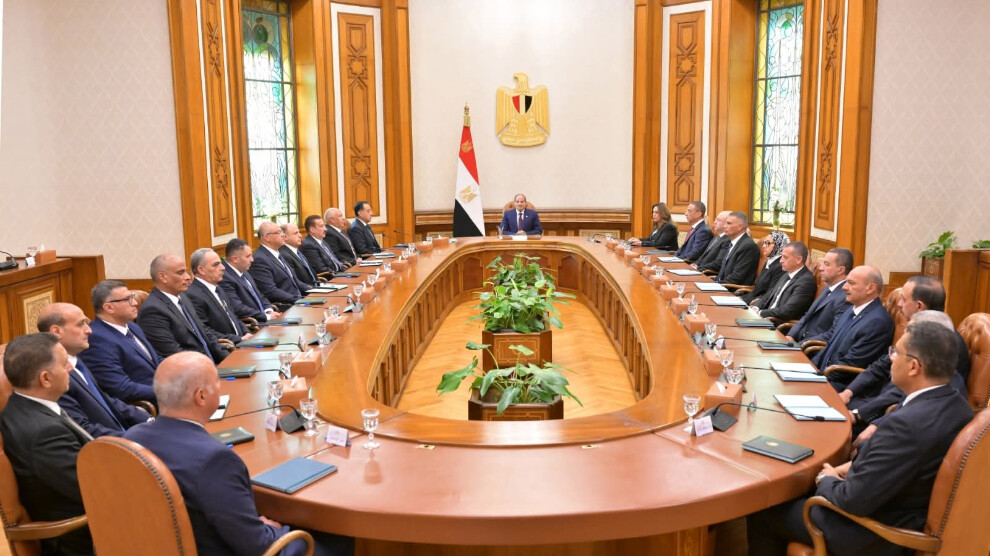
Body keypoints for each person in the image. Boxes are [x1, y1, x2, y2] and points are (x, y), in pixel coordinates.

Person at [747, 321, 973, 556]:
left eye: (896, 352)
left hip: (874, 531)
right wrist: (848, 467)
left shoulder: (905, 425)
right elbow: (901, 463)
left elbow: (851, 500)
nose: (891, 358)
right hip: (900, 506)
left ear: (914, 367)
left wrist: (825, 479)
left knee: (764, 510)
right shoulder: (959, 406)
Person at [124, 352, 353, 556]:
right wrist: (268, 530)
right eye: (217, 382)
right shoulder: (215, 461)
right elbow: (258, 546)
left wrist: (252, 524)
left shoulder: (131, 439)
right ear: (201, 397)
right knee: (342, 538)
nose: (220, 386)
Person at [0, 333, 93, 556]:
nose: (71, 368)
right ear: (46, 379)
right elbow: (93, 488)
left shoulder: (26, 406)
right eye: (64, 363)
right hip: (83, 538)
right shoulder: (43, 433)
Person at [848, 310, 969, 442]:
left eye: (912, 334)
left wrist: (868, 424)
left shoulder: (937, 390)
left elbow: (902, 415)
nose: (892, 357)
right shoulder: (929, 376)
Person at [38, 303, 151, 438]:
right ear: (56, 331)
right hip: (112, 445)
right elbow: (83, 429)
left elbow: (102, 399)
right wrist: (136, 438)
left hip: (123, 432)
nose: (89, 330)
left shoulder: (76, 360)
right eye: (81, 324)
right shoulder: (55, 376)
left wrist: (147, 419)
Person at [812, 265, 894, 391]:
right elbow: (830, 344)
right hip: (825, 375)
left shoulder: (877, 322)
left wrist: (816, 378)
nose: (844, 287)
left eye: (851, 283)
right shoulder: (852, 308)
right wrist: (810, 368)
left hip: (842, 386)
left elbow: (850, 366)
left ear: (870, 288)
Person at [137, 254, 230, 364]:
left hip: (212, 364)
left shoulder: (183, 297)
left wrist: (228, 359)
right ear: (163, 277)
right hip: (193, 369)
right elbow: (174, 354)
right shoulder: (152, 310)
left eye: (186, 271)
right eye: (180, 273)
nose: (188, 277)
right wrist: (210, 368)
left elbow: (204, 332)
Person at [78, 280, 160, 404]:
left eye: (132, 297)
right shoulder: (96, 340)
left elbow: (154, 359)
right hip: (147, 403)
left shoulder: (132, 326)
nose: (135, 303)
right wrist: (167, 391)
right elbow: (122, 388)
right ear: (109, 307)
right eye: (128, 299)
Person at [185, 248, 253, 344]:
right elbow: (205, 330)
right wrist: (238, 339)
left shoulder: (218, 288)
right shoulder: (193, 295)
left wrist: (246, 332)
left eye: (221, 263)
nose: (223, 267)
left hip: (241, 341)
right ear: (201, 270)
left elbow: (233, 317)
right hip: (227, 347)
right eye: (216, 264)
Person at [786, 247, 853, 343]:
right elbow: (807, 316)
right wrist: (790, 336)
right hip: (799, 341)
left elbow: (833, 333)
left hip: (812, 348)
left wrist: (801, 345)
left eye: (826, 264)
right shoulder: (827, 289)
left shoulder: (845, 297)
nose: (821, 268)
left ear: (840, 270)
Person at [218, 238, 284, 320]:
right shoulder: (224, 277)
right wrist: (266, 316)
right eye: (248, 256)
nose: (252, 260)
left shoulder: (244, 270)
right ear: (235, 259)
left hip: (264, 317)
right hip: (253, 322)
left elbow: (259, 295)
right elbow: (238, 308)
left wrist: (268, 310)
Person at [752, 241, 817, 322]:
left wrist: (760, 313)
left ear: (798, 259)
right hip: (765, 318)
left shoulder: (806, 282)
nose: (781, 261)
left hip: (777, 324)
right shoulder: (787, 273)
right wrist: (756, 308)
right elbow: (769, 295)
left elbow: (787, 311)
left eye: (785, 257)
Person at [250, 222, 304, 305]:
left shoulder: (277, 253)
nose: (283, 235)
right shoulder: (259, 260)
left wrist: (315, 290)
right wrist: (299, 300)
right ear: (266, 237)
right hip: (286, 305)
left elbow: (295, 281)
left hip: (298, 300)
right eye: (279, 232)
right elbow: (270, 291)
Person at [739, 230, 789, 304]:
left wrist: (744, 300)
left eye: (768, 243)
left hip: (759, 304)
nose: (764, 246)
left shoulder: (780, 266)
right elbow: (757, 291)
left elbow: (770, 294)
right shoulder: (770, 261)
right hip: (751, 298)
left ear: (779, 245)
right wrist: (740, 299)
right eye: (764, 243)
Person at [715, 211, 760, 286]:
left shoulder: (748, 246)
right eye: (725, 223)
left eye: (728, 223)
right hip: (722, 285)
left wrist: (716, 285)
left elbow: (737, 277)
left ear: (740, 227)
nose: (724, 226)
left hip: (733, 289)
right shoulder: (732, 242)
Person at [280, 222, 321, 289]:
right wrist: (314, 289)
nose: (300, 235)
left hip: (315, 287)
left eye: (299, 232)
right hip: (306, 291)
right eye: (296, 233)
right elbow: (295, 282)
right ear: (285, 237)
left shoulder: (297, 252)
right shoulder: (284, 255)